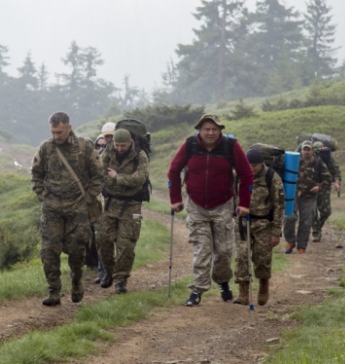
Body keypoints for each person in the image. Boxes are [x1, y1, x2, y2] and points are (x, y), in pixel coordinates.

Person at [167, 114, 253, 306]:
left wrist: (244, 203)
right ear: (200, 130)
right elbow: (173, 170)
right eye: (206, 129)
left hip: (223, 205)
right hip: (197, 206)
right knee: (202, 250)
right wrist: (175, 199)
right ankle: (197, 290)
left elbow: (247, 174)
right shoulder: (190, 145)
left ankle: (222, 281)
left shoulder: (230, 146)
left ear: (220, 130)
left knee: (223, 252)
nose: (210, 132)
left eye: (214, 129)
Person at [31, 112, 104, 306]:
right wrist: (43, 196)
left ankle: (77, 282)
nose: (56, 136)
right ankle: (54, 291)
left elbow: (98, 175)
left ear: (69, 128)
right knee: (48, 251)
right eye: (53, 132)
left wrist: (87, 199)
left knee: (76, 251)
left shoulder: (84, 147)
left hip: (77, 209)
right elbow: (36, 175)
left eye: (60, 132)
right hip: (52, 209)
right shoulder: (46, 149)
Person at [96, 128, 149, 293]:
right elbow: (101, 176)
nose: (119, 148)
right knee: (103, 240)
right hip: (110, 204)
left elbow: (140, 179)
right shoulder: (107, 154)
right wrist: (126, 180)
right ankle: (109, 273)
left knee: (126, 245)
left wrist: (117, 177)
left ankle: (121, 280)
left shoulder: (140, 156)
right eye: (117, 145)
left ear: (130, 143)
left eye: (123, 146)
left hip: (132, 205)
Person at [233, 148, 285, 306]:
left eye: (254, 166)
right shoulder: (238, 176)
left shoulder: (272, 178)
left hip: (264, 225)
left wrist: (276, 232)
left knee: (262, 258)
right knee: (242, 256)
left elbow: (279, 206)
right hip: (242, 224)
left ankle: (263, 285)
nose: (251, 169)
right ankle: (243, 293)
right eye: (249, 165)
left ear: (261, 164)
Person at [283, 141, 332, 254]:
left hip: (309, 197)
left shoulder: (318, 163)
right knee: (289, 218)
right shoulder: (294, 161)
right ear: (301, 150)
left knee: (306, 222)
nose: (306, 152)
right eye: (304, 149)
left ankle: (302, 246)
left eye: (308, 149)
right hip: (293, 194)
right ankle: (290, 242)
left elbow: (328, 179)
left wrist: (319, 187)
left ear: (312, 151)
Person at [311, 141, 342, 242]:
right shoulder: (307, 159)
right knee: (312, 211)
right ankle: (316, 232)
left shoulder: (327, 158)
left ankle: (317, 227)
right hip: (311, 187)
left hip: (324, 187)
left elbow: (335, 170)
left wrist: (336, 183)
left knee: (326, 212)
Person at [88, 133, 108, 283]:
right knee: (100, 237)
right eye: (98, 146)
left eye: (104, 145)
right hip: (96, 205)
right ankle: (101, 271)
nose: (101, 148)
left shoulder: (111, 160)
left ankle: (110, 270)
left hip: (113, 203)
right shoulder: (91, 162)